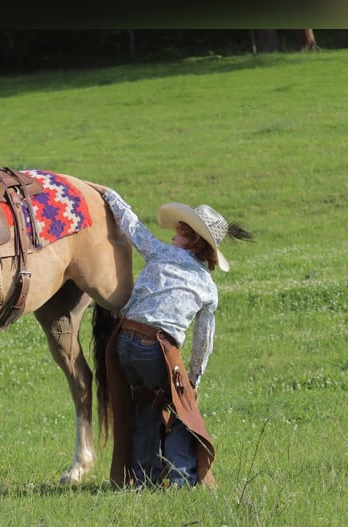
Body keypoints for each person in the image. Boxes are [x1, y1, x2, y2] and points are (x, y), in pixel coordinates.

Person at [90, 183, 252, 489]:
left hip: (123, 344)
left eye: (178, 231)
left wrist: (110, 194)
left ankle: (143, 480)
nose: (172, 235)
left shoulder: (161, 253)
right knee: (181, 409)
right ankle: (182, 480)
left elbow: (133, 227)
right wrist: (192, 381)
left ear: (191, 240)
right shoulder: (208, 287)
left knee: (145, 405)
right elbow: (204, 342)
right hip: (156, 350)